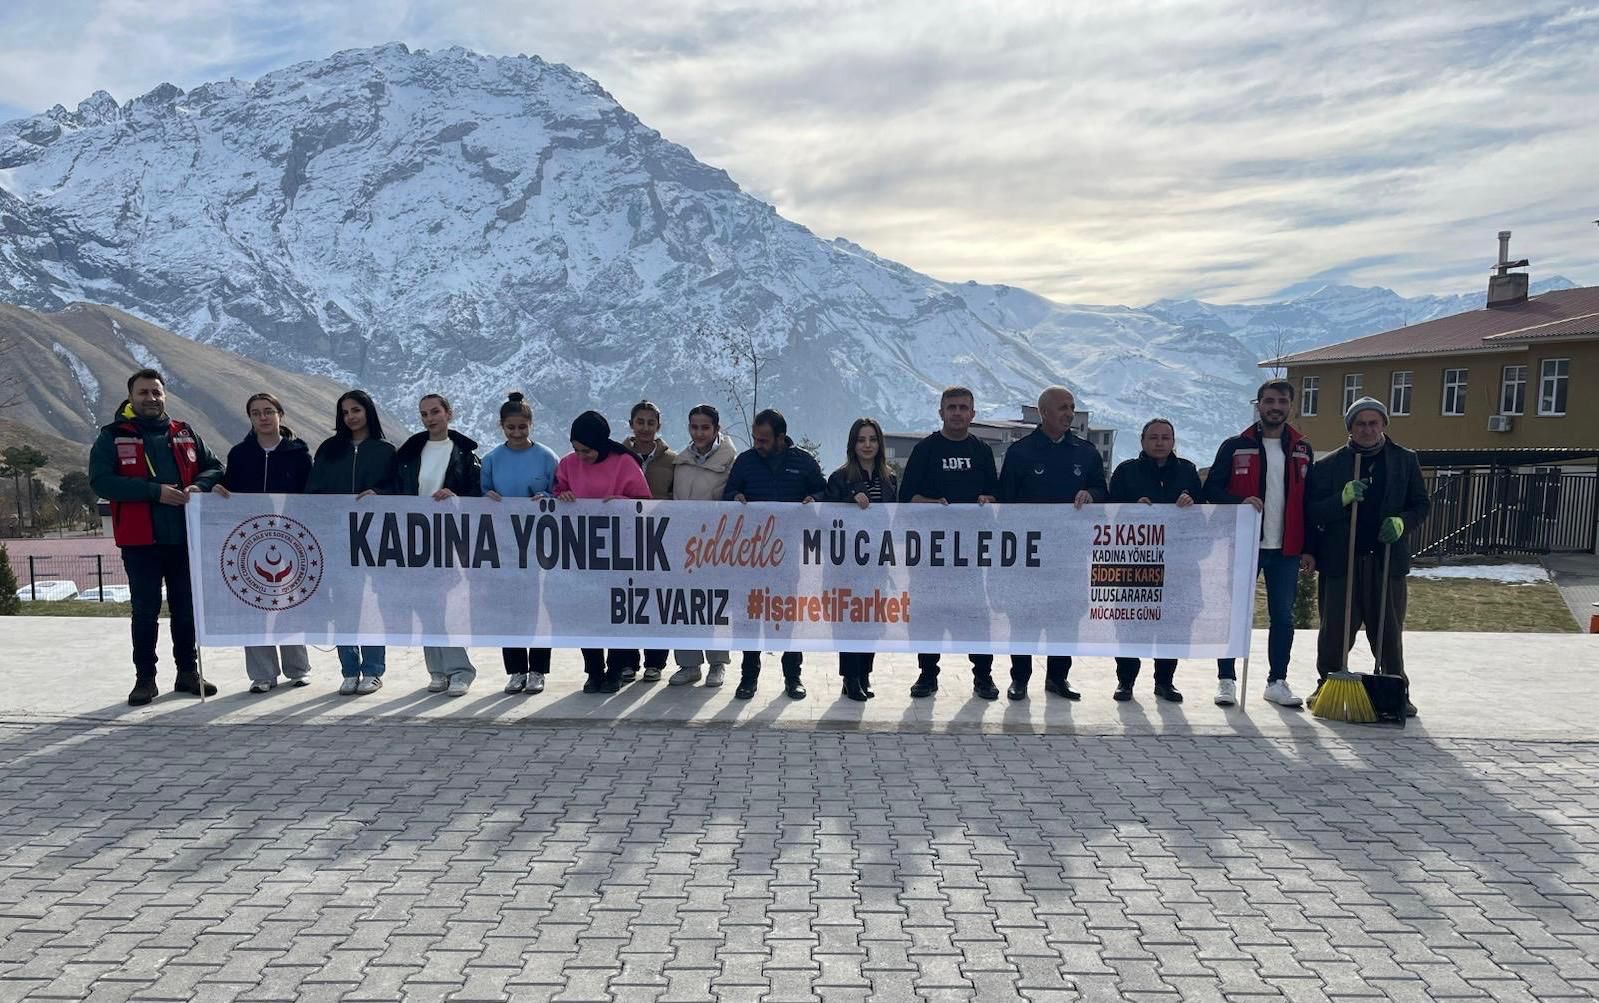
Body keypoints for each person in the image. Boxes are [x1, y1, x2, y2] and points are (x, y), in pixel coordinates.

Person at [88, 368, 226, 706]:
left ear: (164, 395)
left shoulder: (185, 432)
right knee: (145, 612)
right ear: (131, 397)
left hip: (184, 540)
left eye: (156, 392)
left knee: (186, 610)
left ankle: (187, 673)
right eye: (143, 392)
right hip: (140, 542)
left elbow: (215, 467)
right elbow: (101, 481)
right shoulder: (113, 436)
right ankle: (145, 679)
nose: (151, 398)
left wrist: (199, 485)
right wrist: (154, 492)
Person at [1309, 397, 1428, 717]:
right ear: (1350, 428)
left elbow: (1420, 504)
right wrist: (1341, 499)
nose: (1367, 429)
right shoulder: (1329, 466)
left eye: (1373, 423)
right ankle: (1326, 685)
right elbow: (1313, 511)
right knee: (1334, 630)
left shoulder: (1404, 460)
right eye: (1360, 424)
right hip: (1341, 560)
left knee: (1388, 630)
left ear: (1384, 425)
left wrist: (1402, 522)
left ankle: (1396, 689)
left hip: (1386, 561)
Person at [1203, 378, 1316, 708]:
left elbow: (1308, 501)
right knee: (1234, 613)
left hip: (1286, 549)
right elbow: (1211, 490)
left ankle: (1276, 681)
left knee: (1283, 617)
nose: (1275, 407)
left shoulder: (1302, 449)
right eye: (1269, 401)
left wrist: (1310, 547)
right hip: (1242, 545)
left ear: (1290, 406)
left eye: (1282, 401)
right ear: (1259, 404)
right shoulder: (1235, 446)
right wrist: (1239, 502)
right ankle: (1226, 680)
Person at [995, 385, 1107, 700]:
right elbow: (1006, 503)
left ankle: (1058, 678)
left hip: (1070, 555)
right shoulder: (1020, 452)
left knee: (1066, 618)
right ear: (1044, 412)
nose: (1069, 413)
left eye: (1071, 407)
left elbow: (1102, 491)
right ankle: (1020, 679)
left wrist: (1092, 494)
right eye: (1062, 408)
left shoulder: (1086, 452)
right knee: (1024, 619)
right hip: (1029, 556)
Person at [723, 408, 827, 701]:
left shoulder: (804, 462)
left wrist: (814, 499)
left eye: (764, 439)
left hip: (787, 555)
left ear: (781, 437)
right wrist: (735, 498)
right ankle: (748, 677)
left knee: (786, 616)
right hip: (751, 555)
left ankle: (793, 677)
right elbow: (728, 493)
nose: (758, 444)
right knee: (748, 616)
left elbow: (824, 492)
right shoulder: (745, 461)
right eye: (755, 438)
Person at [554, 410, 654, 693]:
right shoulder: (568, 463)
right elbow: (557, 490)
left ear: (600, 443)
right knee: (587, 612)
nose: (581, 456)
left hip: (620, 551)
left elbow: (644, 502)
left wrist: (621, 501)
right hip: (582, 551)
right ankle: (594, 670)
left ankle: (616, 669)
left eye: (586, 450)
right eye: (577, 450)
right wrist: (562, 494)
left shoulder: (624, 463)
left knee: (616, 612)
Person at [223, 391, 315, 693]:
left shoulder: (299, 453)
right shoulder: (239, 454)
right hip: (250, 540)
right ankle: (262, 674)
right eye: (255, 413)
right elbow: (230, 489)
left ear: (280, 415)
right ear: (250, 418)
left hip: (291, 540)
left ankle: (298, 669)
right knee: (253, 605)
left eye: (268, 411)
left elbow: (310, 496)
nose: (262, 417)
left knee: (289, 605)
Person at [308, 389, 397, 696]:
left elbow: (398, 489)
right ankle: (348, 670)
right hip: (336, 538)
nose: (351, 417)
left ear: (368, 411)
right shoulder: (329, 449)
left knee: (371, 605)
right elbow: (313, 490)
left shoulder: (385, 451)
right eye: (345, 412)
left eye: (356, 410)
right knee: (343, 604)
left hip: (373, 540)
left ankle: (373, 670)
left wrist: (379, 494)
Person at [393, 393, 482, 697]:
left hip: (449, 535)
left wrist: (455, 495)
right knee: (425, 603)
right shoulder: (409, 452)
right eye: (424, 414)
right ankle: (437, 670)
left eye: (435, 412)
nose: (429, 418)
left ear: (448, 413)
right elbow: (398, 490)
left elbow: (475, 494)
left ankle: (460, 670)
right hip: (415, 536)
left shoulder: (465, 454)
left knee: (447, 604)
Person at [1107, 417, 1201, 702]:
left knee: (1173, 623)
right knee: (1129, 624)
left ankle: (1165, 682)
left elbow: (1203, 513)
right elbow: (1109, 513)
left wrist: (1190, 502)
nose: (1160, 443)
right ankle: (1125, 682)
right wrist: (1131, 509)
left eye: (1165, 438)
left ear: (1173, 442)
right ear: (1142, 441)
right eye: (1153, 437)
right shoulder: (1126, 472)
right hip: (1135, 561)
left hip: (1178, 563)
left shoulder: (1187, 471)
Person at [480, 391, 561, 696]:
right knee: (508, 607)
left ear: (531, 425)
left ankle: (538, 669)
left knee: (538, 606)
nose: (516, 433)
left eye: (522, 427)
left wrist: (548, 497)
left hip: (540, 544)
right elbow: (481, 494)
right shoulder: (491, 459)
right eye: (510, 428)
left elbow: (561, 493)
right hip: (503, 544)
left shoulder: (547, 457)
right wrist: (486, 497)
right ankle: (516, 670)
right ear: (501, 426)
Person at [825, 417, 898, 701]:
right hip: (846, 565)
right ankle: (850, 677)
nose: (867, 445)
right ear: (852, 445)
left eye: (872, 439)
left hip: (877, 562)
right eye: (861, 440)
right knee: (848, 621)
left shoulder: (889, 479)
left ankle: (865, 673)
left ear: (880, 444)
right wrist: (849, 500)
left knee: (872, 621)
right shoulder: (840, 478)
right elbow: (826, 516)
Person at [668, 404, 738, 688]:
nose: (699, 433)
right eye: (694, 427)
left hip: (716, 547)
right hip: (683, 545)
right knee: (683, 605)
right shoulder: (680, 461)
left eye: (705, 427)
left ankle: (717, 663)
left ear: (716, 429)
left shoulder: (731, 461)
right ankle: (689, 665)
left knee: (715, 605)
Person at [621, 400, 678, 682]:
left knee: (658, 600)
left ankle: (655, 662)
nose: (645, 428)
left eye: (650, 423)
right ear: (631, 424)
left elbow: (677, 498)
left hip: (661, 539)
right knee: (626, 600)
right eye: (640, 422)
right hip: (624, 538)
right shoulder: (617, 457)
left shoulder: (672, 460)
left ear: (658, 425)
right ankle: (627, 660)